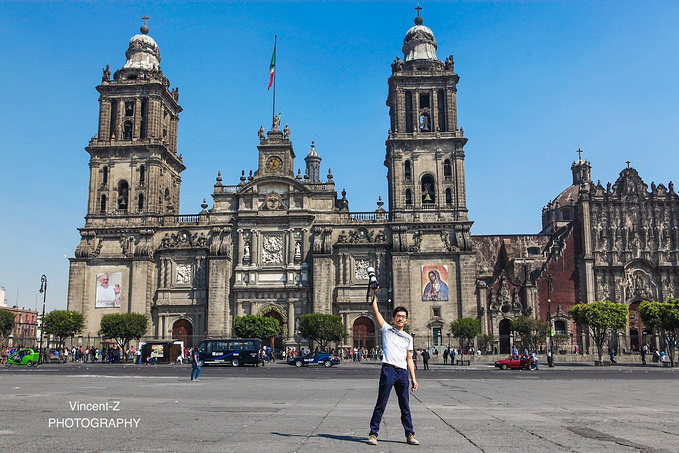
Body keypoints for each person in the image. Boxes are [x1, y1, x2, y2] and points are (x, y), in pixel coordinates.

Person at [367, 301, 419, 446]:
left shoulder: (409, 338)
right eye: (398, 316)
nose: (400, 318)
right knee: (381, 403)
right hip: (388, 370)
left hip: (402, 373)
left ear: (406, 320)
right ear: (393, 319)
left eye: (403, 316)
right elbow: (376, 312)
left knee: (405, 405)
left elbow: (409, 358)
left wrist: (413, 378)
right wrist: (373, 295)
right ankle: (373, 434)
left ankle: (410, 434)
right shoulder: (387, 330)